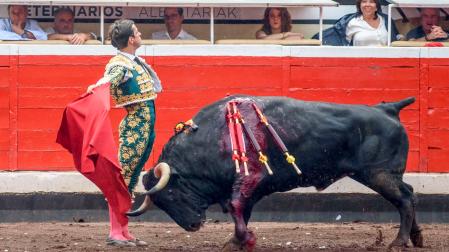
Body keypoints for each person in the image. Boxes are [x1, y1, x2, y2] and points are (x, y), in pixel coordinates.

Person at [86, 19, 162, 246]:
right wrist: (97, 86)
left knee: (130, 179)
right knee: (122, 179)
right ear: (131, 39)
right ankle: (115, 231)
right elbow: (110, 78)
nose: (140, 34)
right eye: (137, 32)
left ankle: (124, 230)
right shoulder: (121, 63)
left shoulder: (134, 62)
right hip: (134, 128)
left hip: (145, 127)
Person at [315, 0, 400, 46]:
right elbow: (332, 35)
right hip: (360, 63)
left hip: (386, 62)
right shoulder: (352, 21)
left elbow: (395, 39)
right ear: (359, 6)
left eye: (371, 1)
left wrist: (404, 38)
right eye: (364, 1)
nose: (367, 4)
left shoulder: (386, 19)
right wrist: (312, 39)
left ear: (377, 7)